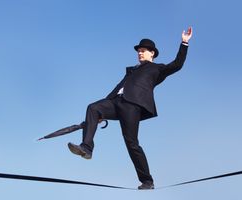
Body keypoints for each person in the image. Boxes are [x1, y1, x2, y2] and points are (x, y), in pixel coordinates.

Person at [68, 27, 193, 190]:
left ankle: (147, 181)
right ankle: (87, 147)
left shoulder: (157, 69)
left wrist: (184, 42)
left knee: (131, 143)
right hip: (116, 102)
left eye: (143, 51)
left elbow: (177, 65)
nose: (140, 53)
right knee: (93, 108)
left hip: (133, 105)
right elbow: (116, 89)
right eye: (139, 51)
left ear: (152, 53)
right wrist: (102, 111)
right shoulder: (131, 71)